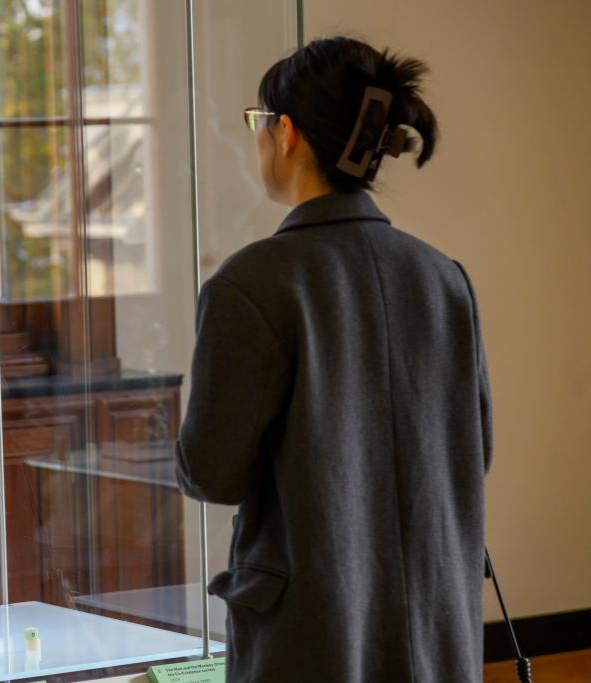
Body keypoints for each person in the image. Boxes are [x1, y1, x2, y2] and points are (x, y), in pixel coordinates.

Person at [175, 36, 492, 683]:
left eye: (259, 122)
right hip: (437, 631)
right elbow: (473, 451)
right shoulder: (444, 279)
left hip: (311, 639)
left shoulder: (250, 284)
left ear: (287, 133)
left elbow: (211, 474)